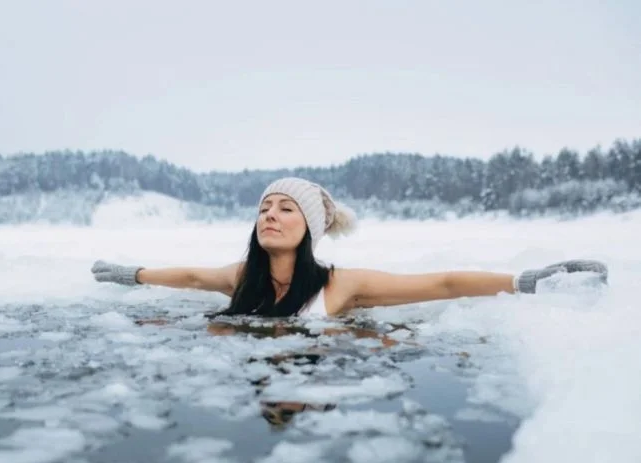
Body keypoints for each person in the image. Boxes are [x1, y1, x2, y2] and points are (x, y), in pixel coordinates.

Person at [91, 177, 608, 318]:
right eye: (264, 207)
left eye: (285, 208)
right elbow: (189, 277)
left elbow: (441, 283)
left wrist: (523, 281)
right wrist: (132, 273)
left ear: (310, 228)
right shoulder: (240, 276)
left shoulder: (342, 285)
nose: (270, 214)